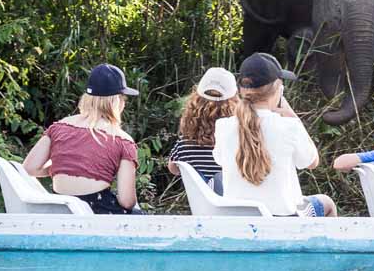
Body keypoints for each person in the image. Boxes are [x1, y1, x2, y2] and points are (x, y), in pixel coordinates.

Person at [213, 53, 337, 217]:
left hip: (238, 221)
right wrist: (293, 116)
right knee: (326, 203)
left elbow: (219, 160)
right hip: (284, 222)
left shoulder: (223, 126)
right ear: (279, 89)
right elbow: (312, 162)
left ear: (241, 90)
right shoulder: (289, 126)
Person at [23, 64, 141, 215]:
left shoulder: (59, 127)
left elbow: (29, 168)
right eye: (123, 98)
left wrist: (62, 167)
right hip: (96, 211)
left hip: (61, 209)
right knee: (138, 215)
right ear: (117, 102)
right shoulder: (123, 141)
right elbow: (127, 201)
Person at [167, 67, 238, 181]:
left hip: (197, 199)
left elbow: (173, 169)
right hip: (231, 198)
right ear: (235, 103)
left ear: (195, 103)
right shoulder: (239, 144)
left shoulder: (184, 145)